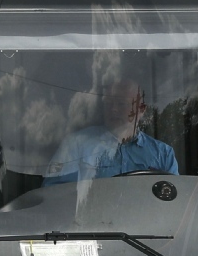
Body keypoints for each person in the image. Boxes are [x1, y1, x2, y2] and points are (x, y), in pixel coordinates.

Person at [43, 78, 178, 185]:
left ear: (141, 110)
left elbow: (174, 201)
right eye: (109, 103)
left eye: (121, 104)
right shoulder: (76, 144)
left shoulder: (163, 154)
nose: (113, 109)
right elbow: (54, 192)